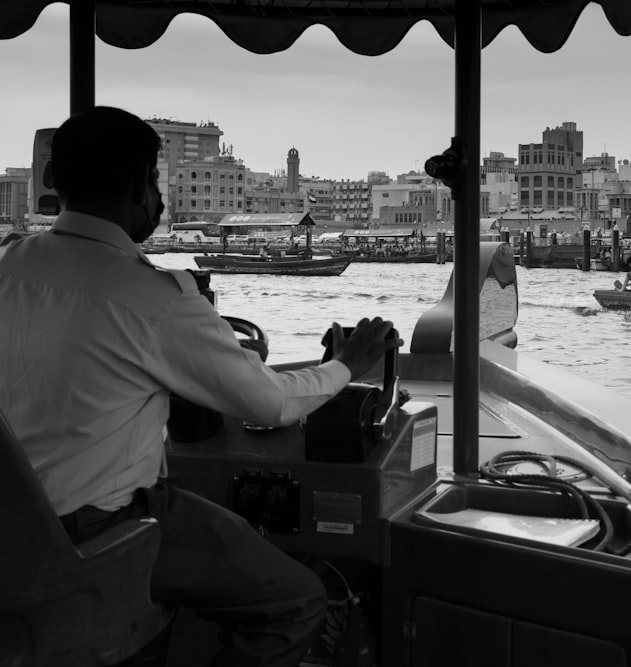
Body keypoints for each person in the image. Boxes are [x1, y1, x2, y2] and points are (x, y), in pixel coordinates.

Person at [0, 107, 403, 667]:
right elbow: (272, 402)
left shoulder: (8, 262)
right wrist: (346, 366)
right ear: (145, 184)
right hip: (97, 534)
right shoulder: (157, 298)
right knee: (295, 600)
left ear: (51, 182)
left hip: (12, 530)